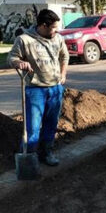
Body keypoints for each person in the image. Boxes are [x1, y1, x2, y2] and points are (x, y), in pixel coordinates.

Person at [8, 9, 69, 166]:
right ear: (43, 25)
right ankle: (29, 157)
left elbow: (64, 56)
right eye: (53, 28)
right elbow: (12, 58)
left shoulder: (58, 39)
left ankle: (46, 153)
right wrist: (19, 63)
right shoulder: (25, 40)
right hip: (35, 90)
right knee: (33, 128)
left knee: (51, 123)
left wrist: (63, 74)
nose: (56, 31)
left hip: (55, 88)